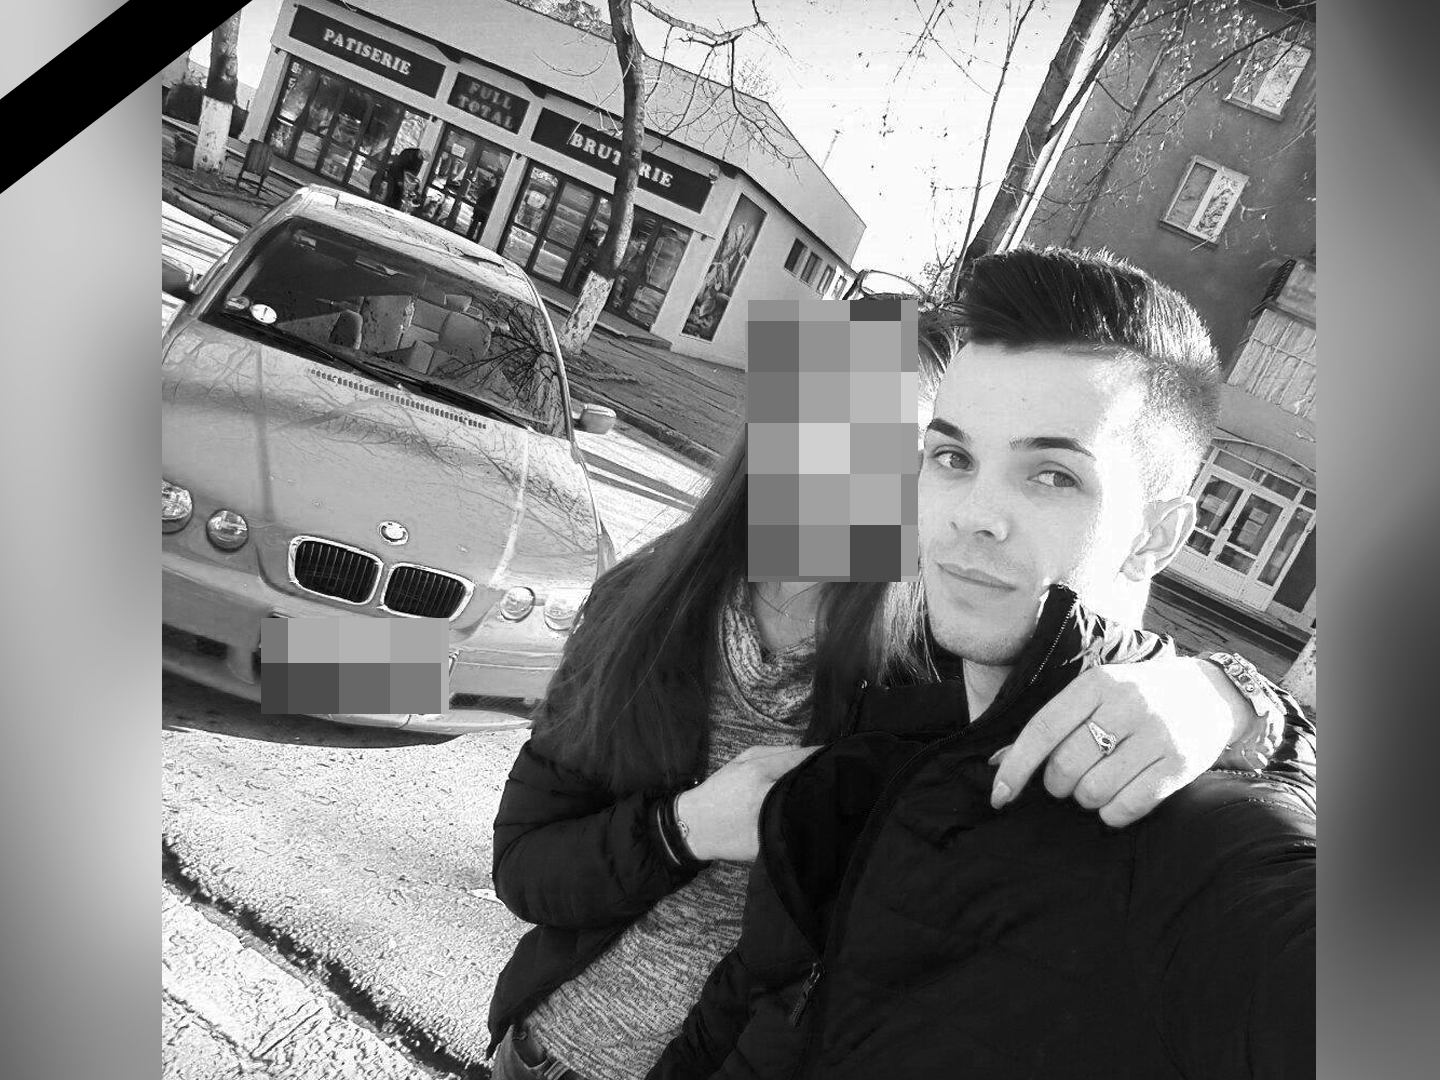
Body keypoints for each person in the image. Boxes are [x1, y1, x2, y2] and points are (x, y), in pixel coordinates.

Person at [485, 268, 1314, 1080]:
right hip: (537, 1047)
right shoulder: (648, 601)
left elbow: (1115, 675)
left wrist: (1236, 701)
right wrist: (686, 828)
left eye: (895, 447)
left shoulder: (949, 658)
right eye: (815, 426)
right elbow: (524, 862)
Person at [370, 147, 427, 215]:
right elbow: (398, 166)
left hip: (404, 177)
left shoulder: (419, 160)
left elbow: (415, 172)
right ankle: (386, 207)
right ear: (420, 152)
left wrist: (409, 180)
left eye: (423, 159)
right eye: (422, 157)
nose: (422, 159)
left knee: (399, 194)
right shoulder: (408, 153)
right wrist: (400, 180)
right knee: (392, 191)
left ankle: (393, 210)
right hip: (395, 174)